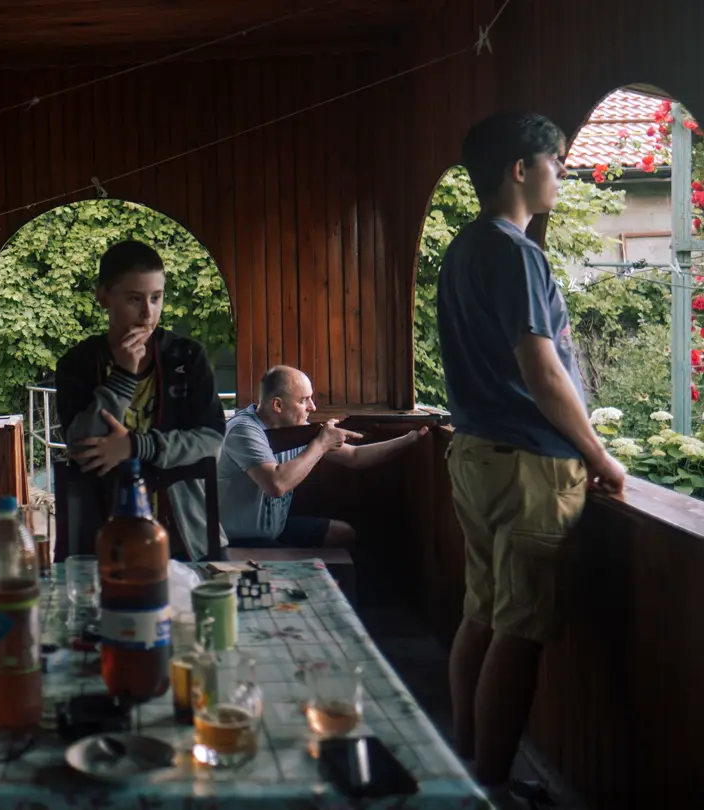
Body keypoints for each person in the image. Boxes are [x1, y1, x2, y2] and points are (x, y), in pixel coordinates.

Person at [436, 112, 627, 792]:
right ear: (521, 169)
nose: (563, 173)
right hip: (528, 463)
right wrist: (600, 456)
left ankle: (464, 764)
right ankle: (488, 788)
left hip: (475, 454)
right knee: (518, 631)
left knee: (481, 614)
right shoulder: (516, 252)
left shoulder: (462, 250)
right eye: (557, 161)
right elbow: (544, 373)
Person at [54, 239, 229, 561]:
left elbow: (211, 442)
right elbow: (81, 448)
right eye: (134, 299)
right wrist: (122, 376)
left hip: (186, 537)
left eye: (156, 298)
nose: (148, 313)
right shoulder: (77, 363)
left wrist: (135, 447)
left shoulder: (187, 357)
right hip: (102, 541)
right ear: (103, 296)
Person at [219, 365, 427, 549]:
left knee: (342, 534)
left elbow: (355, 456)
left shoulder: (293, 429)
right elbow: (277, 484)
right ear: (278, 405)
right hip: (239, 538)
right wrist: (321, 444)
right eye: (304, 400)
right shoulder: (243, 431)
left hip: (275, 528)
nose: (313, 407)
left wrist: (409, 440)